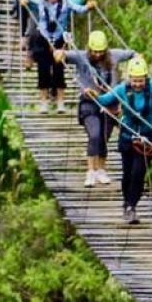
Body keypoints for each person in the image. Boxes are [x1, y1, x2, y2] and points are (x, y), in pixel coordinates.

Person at [95, 57, 152, 224]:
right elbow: (105, 99)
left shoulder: (151, 87)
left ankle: (132, 206)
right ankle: (127, 203)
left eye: (141, 81)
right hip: (127, 136)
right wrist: (93, 95)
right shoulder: (122, 89)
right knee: (127, 173)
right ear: (129, 78)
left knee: (138, 173)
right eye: (135, 81)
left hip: (147, 138)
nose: (138, 84)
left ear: (146, 78)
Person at [59, 30, 135, 187]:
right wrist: (59, 54)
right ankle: (91, 171)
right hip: (89, 103)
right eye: (95, 51)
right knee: (94, 134)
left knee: (104, 138)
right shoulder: (81, 57)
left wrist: (135, 66)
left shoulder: (114, 55)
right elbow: (63, 54)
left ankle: (101, 169)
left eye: (101, 51)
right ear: (89, 49)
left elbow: (133, 54)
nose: (98, 54)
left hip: (110, 103)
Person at [23, 0, 92, 113]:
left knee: (59, 70)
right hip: (43, 39)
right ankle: (44, 103)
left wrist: (88, 6)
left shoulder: (66, 2)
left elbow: (79, 9)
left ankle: (61, 103)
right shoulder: (40, 0)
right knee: (43, 71)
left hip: (60, 39)